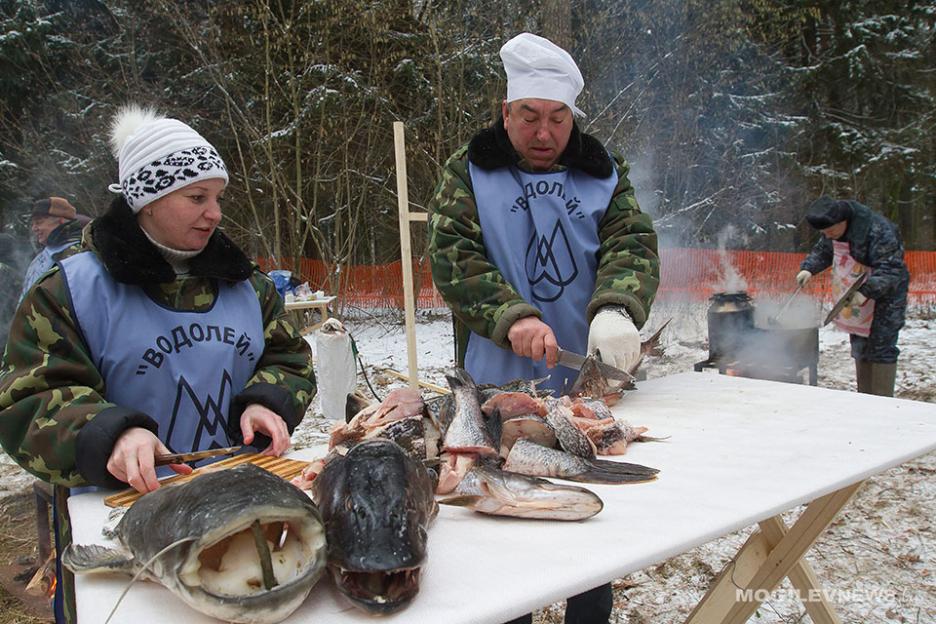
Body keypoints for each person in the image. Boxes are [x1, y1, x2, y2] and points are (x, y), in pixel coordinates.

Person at [0, 105, 316, 623]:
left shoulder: (246, 284)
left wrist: (267, 400)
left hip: (242, 505)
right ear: (147, 200)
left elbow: (288, 358)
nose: (214, 213)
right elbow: (28, 400)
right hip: (126, 517)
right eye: (197, 197)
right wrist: (111, 436)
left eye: (217, 198)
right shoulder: (70, 292)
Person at [428, 32, 659, 624]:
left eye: (557, 118)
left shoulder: (602, 170)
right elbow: (454, 257)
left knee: (588, 522)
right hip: (494, 392)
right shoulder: (469, 171)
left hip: (585, 389)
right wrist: (513, 316)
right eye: (528, 116)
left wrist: (616, 307)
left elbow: (631, 241)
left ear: (571, 118)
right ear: (505, 113)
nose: (543, 133)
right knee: (504, 534)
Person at [797, 196, 909, 396]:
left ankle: (882, 402)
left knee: (881, 348)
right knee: (860, 347)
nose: (828, 236)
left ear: (843, 221)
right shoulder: (833, 229)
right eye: (824, 233)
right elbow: (823, 251)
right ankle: (865, 398)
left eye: (830, 231)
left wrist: (865, 292)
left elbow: (892, 269)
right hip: (854, 292)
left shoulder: (880, 230)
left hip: (886, 296)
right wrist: (808, 269)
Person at [18, 197, 90, 303]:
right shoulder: (40, 257)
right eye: (32, 224)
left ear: (60, 221)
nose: (34, 228)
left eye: (39, 222)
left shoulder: (81, 254)